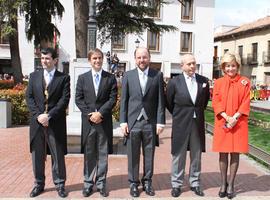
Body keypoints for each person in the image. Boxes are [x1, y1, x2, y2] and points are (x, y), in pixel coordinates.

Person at [120, 47, 165, 197]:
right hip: (133, 122)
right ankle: (133, 183)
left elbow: (160, 101)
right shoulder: (128, 75)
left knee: (149, 154)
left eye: (144, 57)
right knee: (133, 155)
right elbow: (124, 101)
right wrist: (123, 121)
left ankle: (147, 182)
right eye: (139, 57)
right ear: (135, 59)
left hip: (150, 123)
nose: (142, 60)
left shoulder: (157, 75)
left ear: (149, 58)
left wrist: (160, 122)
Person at [26, 48, 70, 198]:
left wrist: (49, 115)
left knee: (57, 155)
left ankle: (60, 184)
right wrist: (39, 116)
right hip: (37, 123)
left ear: (55, 60)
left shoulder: (63, 78)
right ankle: (39, 184)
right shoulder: (33, 76)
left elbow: (64, 100)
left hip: (55, 122)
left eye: (47, 58)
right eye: (42, 58)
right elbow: (29, 98)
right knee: (37, 155)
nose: (44, 61)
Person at [75, 48, 117, 197]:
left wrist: (100, 113)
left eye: (99, 58)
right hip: (89, 123)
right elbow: (78, 99)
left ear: (102, 59)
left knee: (103, 154)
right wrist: (90, 114)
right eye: (94, 58)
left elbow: (112, 98)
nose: (97, 61)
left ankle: (101, 184)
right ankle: (88, 184)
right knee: (89, 153)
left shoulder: (110, 78)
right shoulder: (82, 78)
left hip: (103, 122)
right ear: (89, 61)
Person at [166, 54, 210, 197]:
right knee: (178, 155)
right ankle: (176, 184)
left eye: (194, 63)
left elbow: (204, 102)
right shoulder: (174, 82)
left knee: (196, 154)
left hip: (197, 123)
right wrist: (180, 115)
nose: (192, 66)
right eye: (189, 64)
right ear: (182, 66)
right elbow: (169, 103)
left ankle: (195, 183)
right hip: (180, 123)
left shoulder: (203, 81)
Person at [212, 52, 250, 199]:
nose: (230, 69)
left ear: (237, 66)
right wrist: (226, 116)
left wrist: (235, 117)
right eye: (227, 66)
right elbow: (216, 101)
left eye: (233, 66)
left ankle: (232, 184)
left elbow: (246, 101)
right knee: (223, 153)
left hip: (238, 123)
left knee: (235, 153)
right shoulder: (219, 82)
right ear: (223, 67)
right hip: (223, 122)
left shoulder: (245, 82)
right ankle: (223, 183)